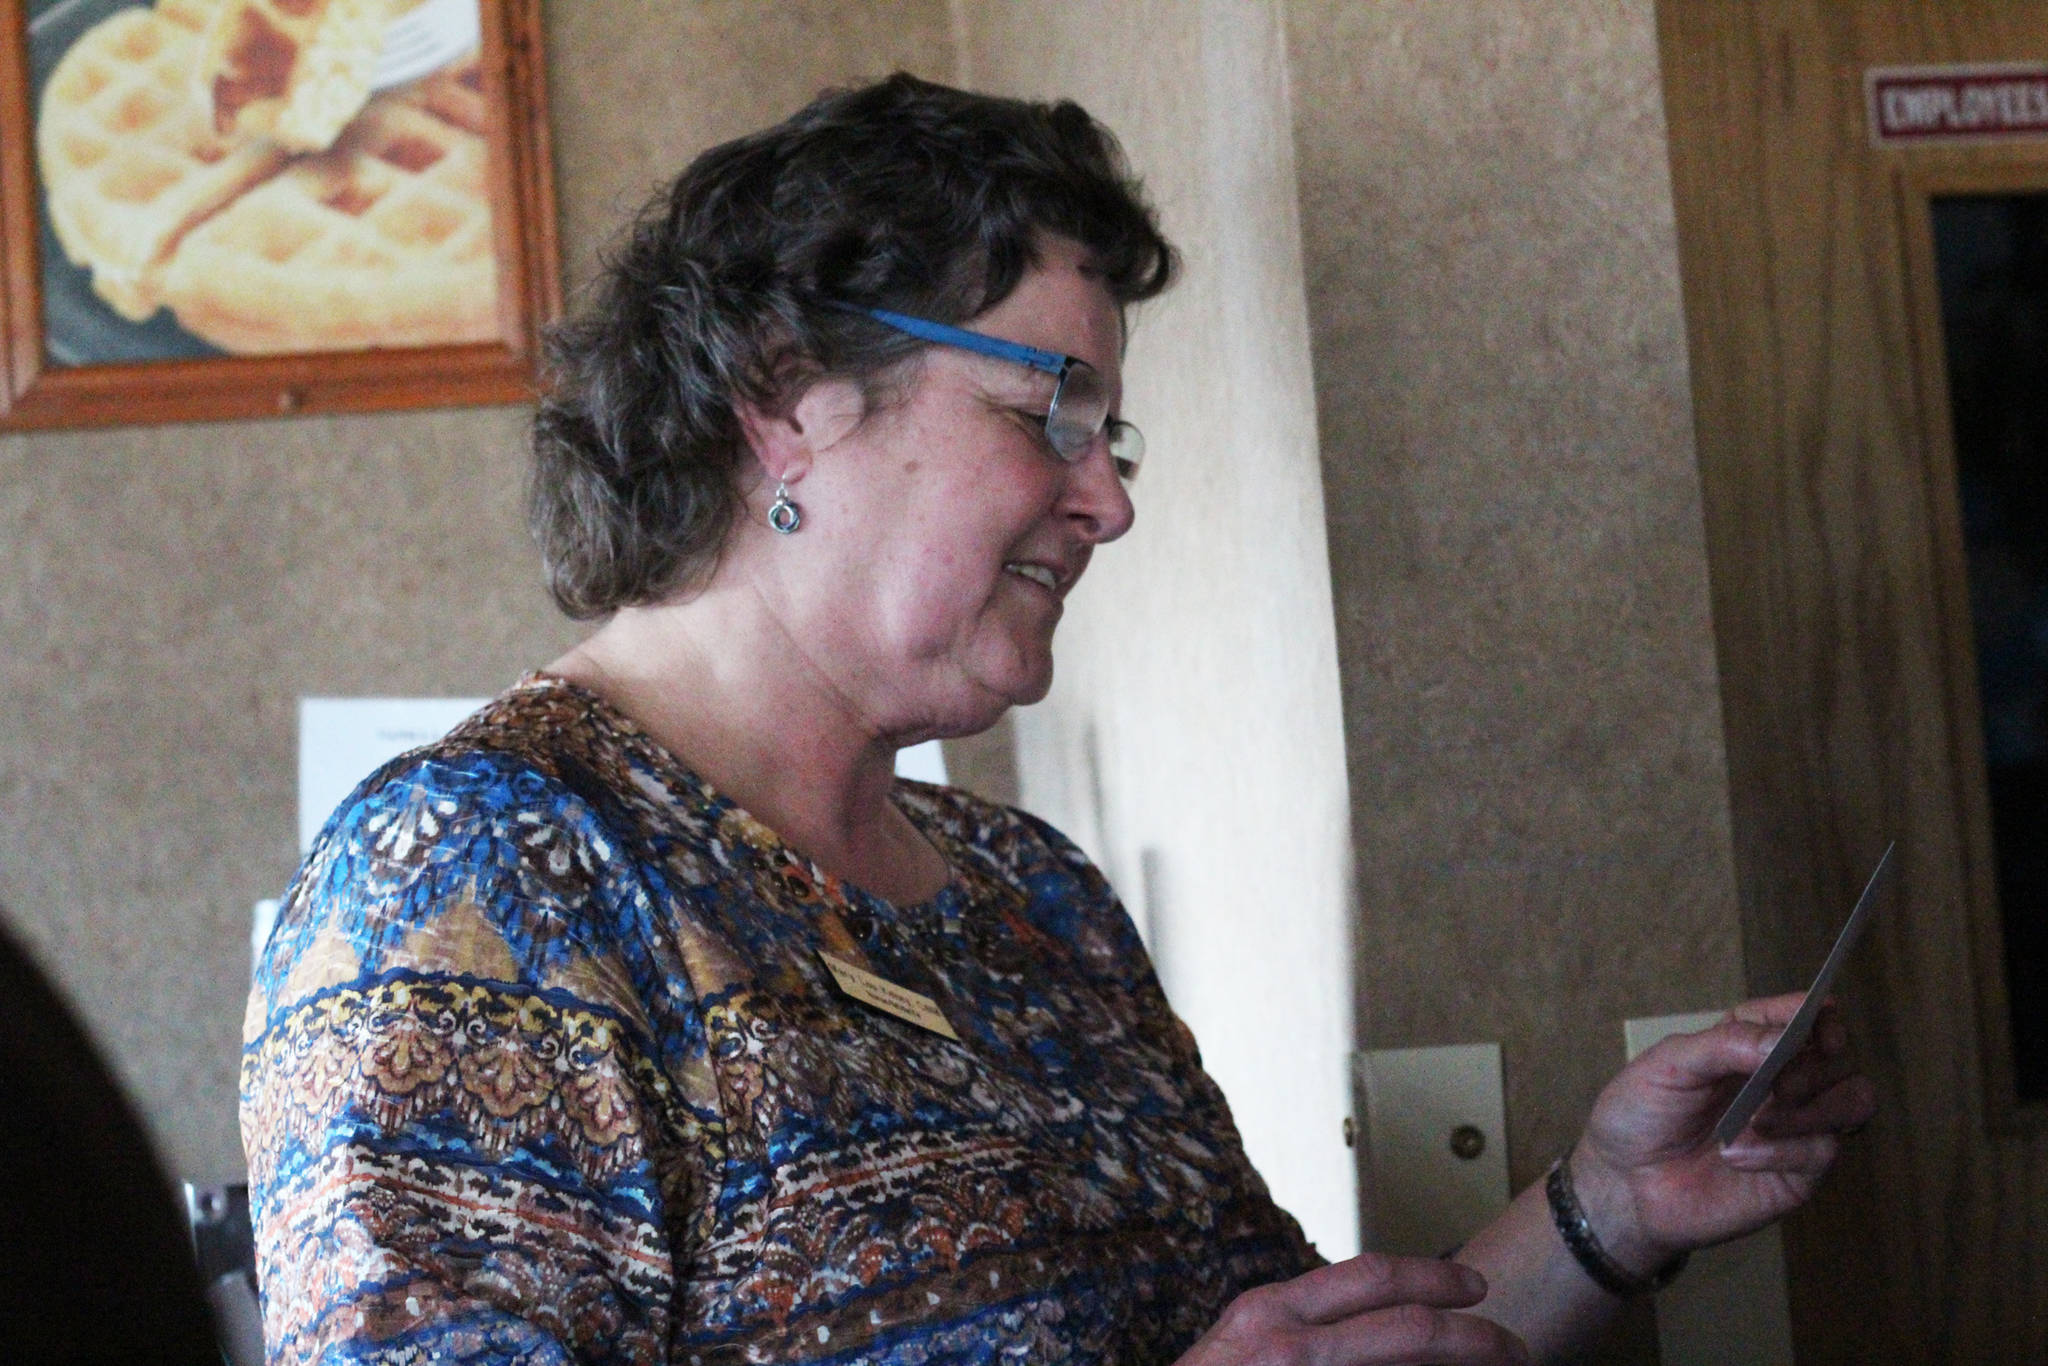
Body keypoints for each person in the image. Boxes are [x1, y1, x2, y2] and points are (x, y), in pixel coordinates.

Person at [240, 73, 1876, 1366]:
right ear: (787, 397)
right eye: (1052, 412)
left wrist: (1602, 1210)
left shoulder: (1030, 895)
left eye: (1114, 429)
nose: (1106, 496)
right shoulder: (477, 886)